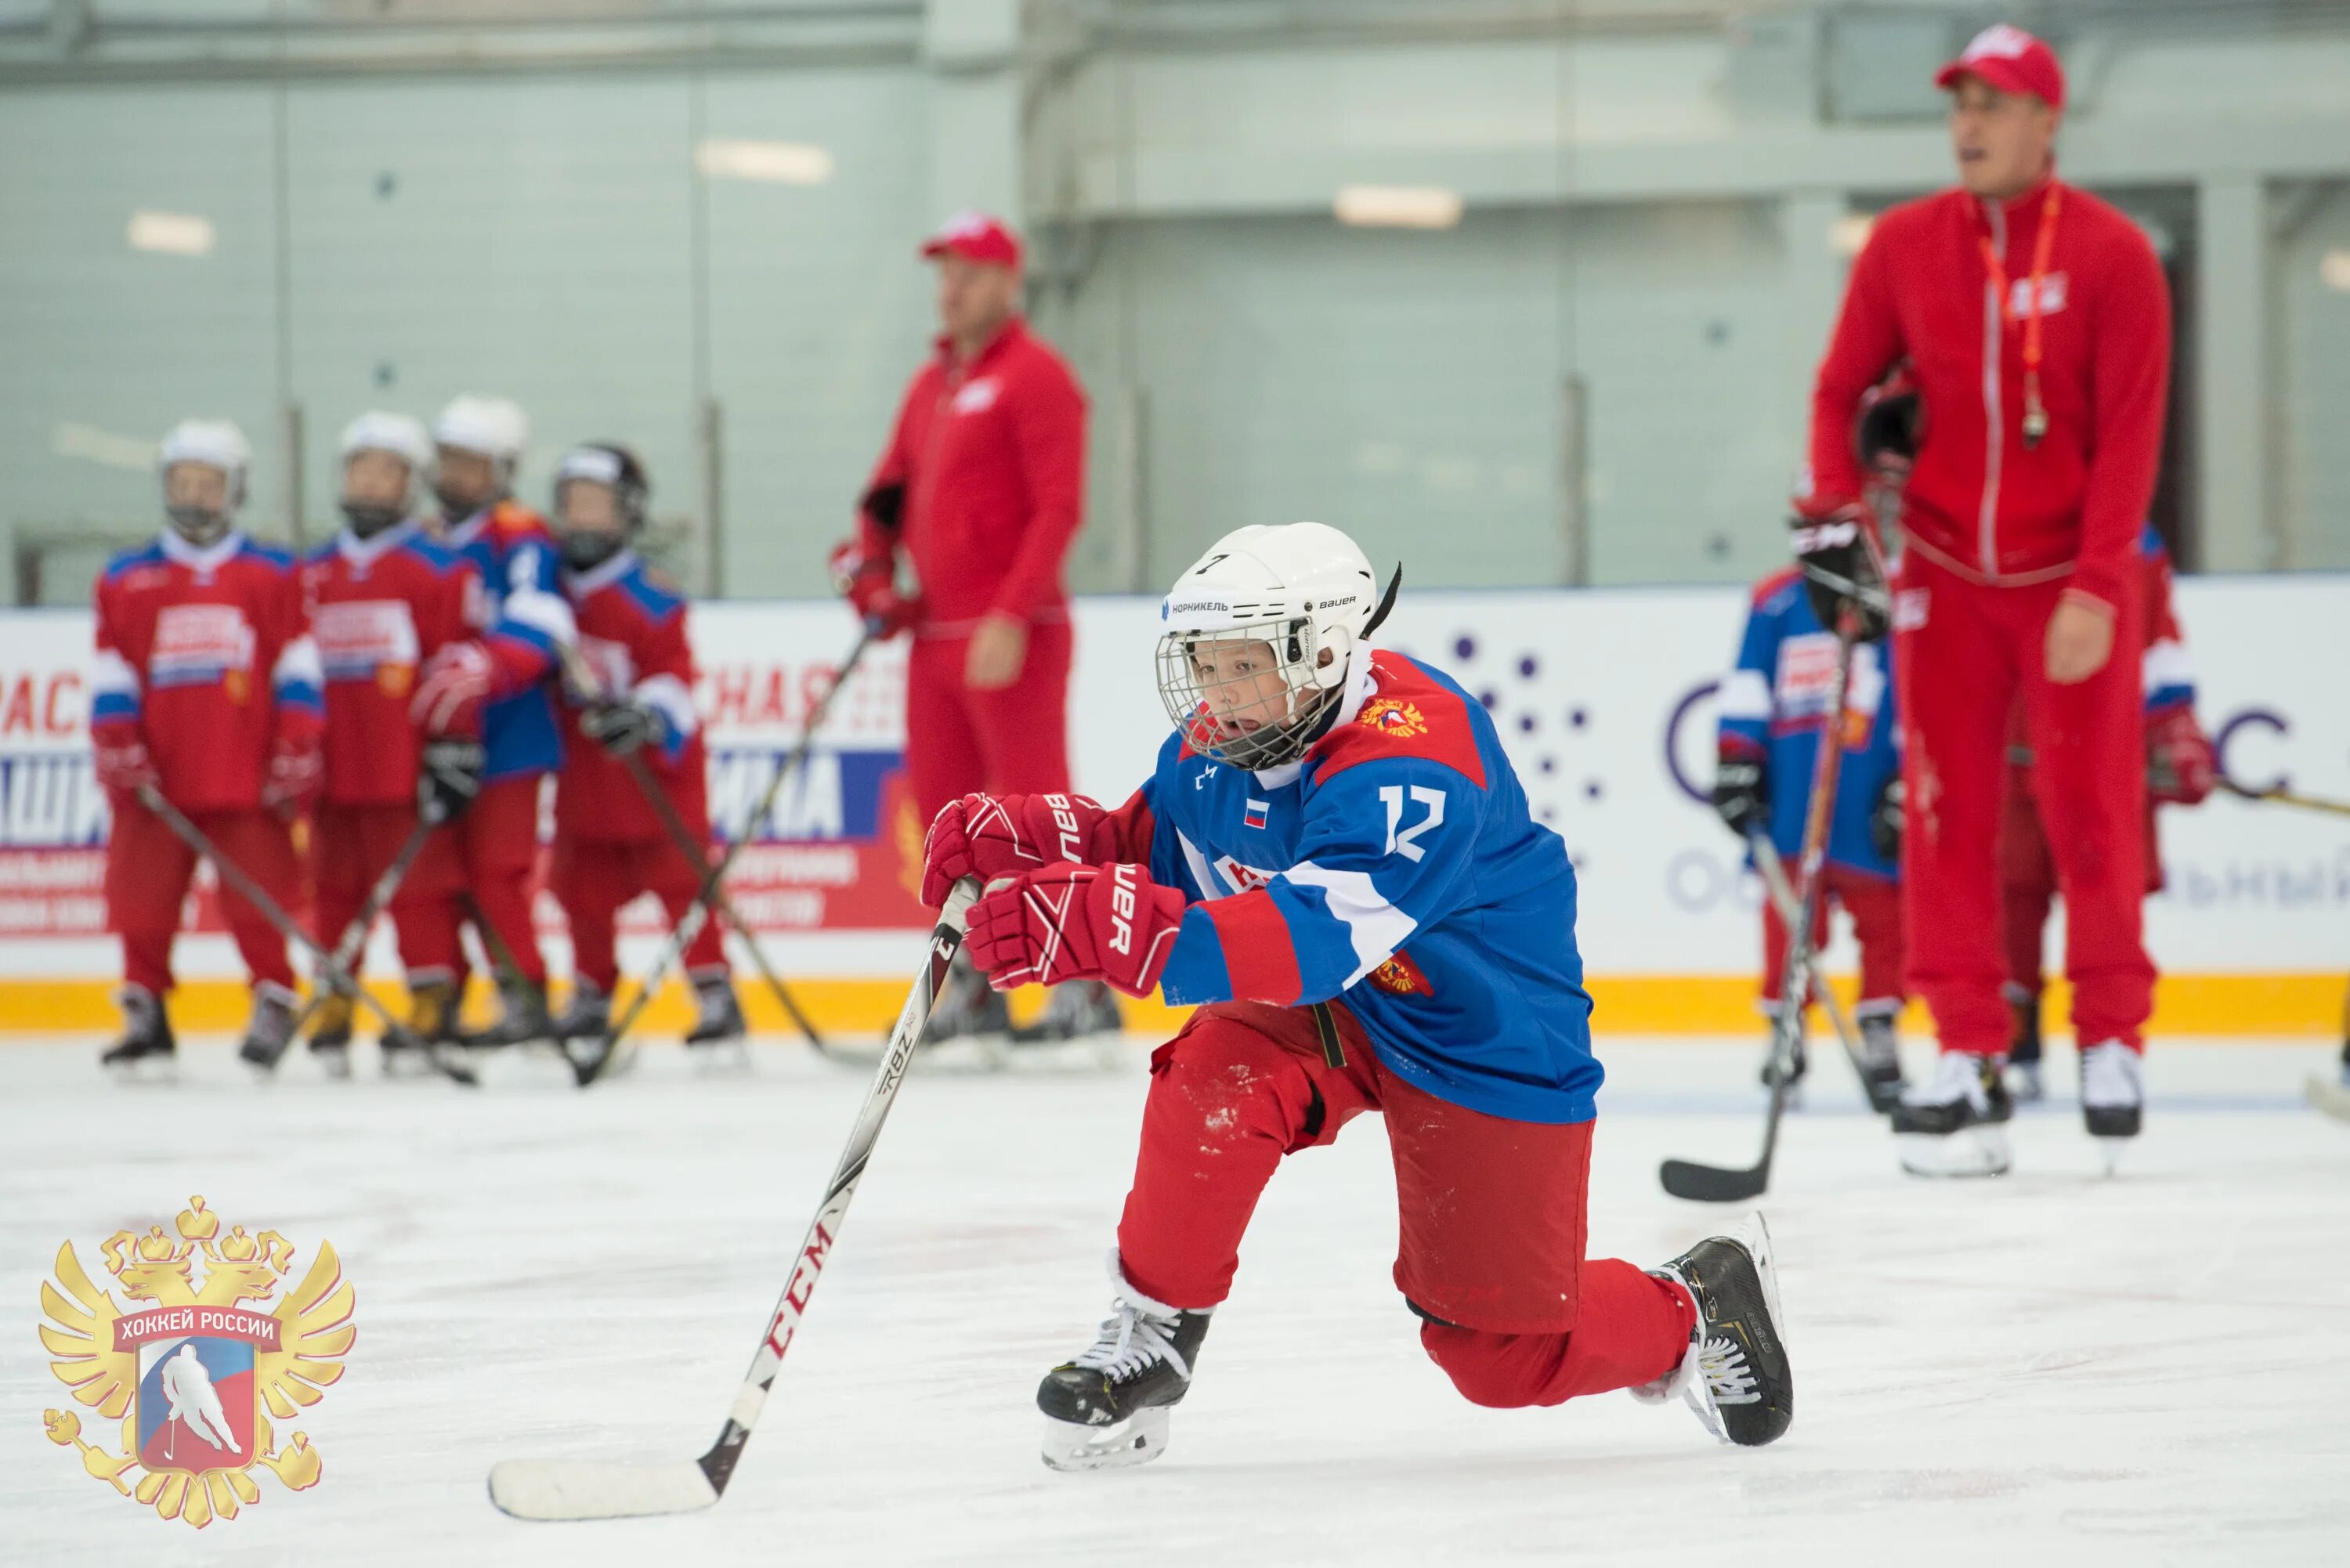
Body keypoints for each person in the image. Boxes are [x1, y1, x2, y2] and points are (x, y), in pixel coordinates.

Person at [918, 522, 1794, 1470]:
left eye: (1240, 664)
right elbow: (1175, 847)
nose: (1213, 693)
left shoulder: (1416, 763)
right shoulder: (1229, 738)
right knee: (1212, 1075)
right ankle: (1153, 1333)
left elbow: (1316, 938)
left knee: (1499, 1356)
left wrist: (1119, 932)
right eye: (1203, 663)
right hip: (1336, 1005)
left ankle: (1698, 1301)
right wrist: (1052, 836)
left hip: (1479, 1027)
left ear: (1323, 652)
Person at [1794, 23, 2171, 1175]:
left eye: (1995, 105)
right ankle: (1962, 1047)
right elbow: (1838, 389)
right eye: (1959, 104)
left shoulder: (2114, 255)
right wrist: (1833, 522)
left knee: (2089, 807)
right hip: (1946, 577)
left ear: (2047, 122)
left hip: (2072, 579)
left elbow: (2132, 436)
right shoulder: (1906, 245)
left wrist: (2103, 584)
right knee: (1948, 810)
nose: (1970, 125)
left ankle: (2110, 1033)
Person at [833, 211, 1116, 1046]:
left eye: (967, 273)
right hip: (937, 637)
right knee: (948, 822)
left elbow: (1059, 507)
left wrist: (1011, 611)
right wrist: (872, 571)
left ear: (1007, 281)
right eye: (943, 274)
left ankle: (1084, 988)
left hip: (1011, 634)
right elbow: (885, 494)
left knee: (1036, 819)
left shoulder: (1036, 376)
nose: (950, 290)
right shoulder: (933, 384)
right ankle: (973, 988)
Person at [90, 419, 322, 1073]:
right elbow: (114, 671)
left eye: (209, 484)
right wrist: (118, 742)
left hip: (244, 767)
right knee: (141, 893)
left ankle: (273, 996)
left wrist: (297, 743)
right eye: (182, 482)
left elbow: (297, 667)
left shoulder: (273, 571)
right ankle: (146, 1005)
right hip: (157, 770)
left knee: (261, 891)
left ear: (235, 491)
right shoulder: (127, 576)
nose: (194, 495)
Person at [1998, 524, 2214, 1100]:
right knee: (2011, 900)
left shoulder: (2134, 541)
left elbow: (2159, 637)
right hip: (2011, 752)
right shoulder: (2006, 520)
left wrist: (2173, 726)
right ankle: (2013, 1042)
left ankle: (2110, 1042)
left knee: (2106, 891)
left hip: (2103, 750)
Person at [299, 411, 486, 1075]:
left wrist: (452, 746)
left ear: (409, 484)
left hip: (402, 762)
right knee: (331, 885)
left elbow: (453, 662)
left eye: (387, 470)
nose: (370, 481)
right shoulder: (311, 571)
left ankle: (430, 998)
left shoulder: (437, 568)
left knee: (421, 887)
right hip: (329, 760)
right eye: (360, 467)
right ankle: (334, 997)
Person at [543, 443, 744, 1049]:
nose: (582, 519)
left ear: (628, 513)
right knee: (580, 888)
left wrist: (648, 714)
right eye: (572, 504)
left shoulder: (649, 596)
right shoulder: (546, 595)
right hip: (586, 781)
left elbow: (677, 679)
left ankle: (714, 994)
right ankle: (592, 993)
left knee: (685, 884)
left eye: (597, 506)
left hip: (655, 780)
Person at [1714, 561, 1907, 1112]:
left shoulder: (1894, 595)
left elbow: (1921, 690)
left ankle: (1879, 1030)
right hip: (1797, 790)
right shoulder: (1775, 599)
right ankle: (1786, 1031)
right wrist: (1737, 758)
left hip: (1869, 788)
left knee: (1890, 919)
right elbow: (1749, 682)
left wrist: (1906, 780)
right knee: (1790, 921)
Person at [411, 393, 573, 1050]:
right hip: (437, 737)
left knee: (496, 873)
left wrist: (483, 669)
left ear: (502, 471)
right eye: (450, 460)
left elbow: (540, 619)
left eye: (473, 464)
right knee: (435, 874)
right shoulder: (424, 538)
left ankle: (526, 996)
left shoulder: (519, 532)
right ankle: (441, 999)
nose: (458, 476)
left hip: (511, 734)